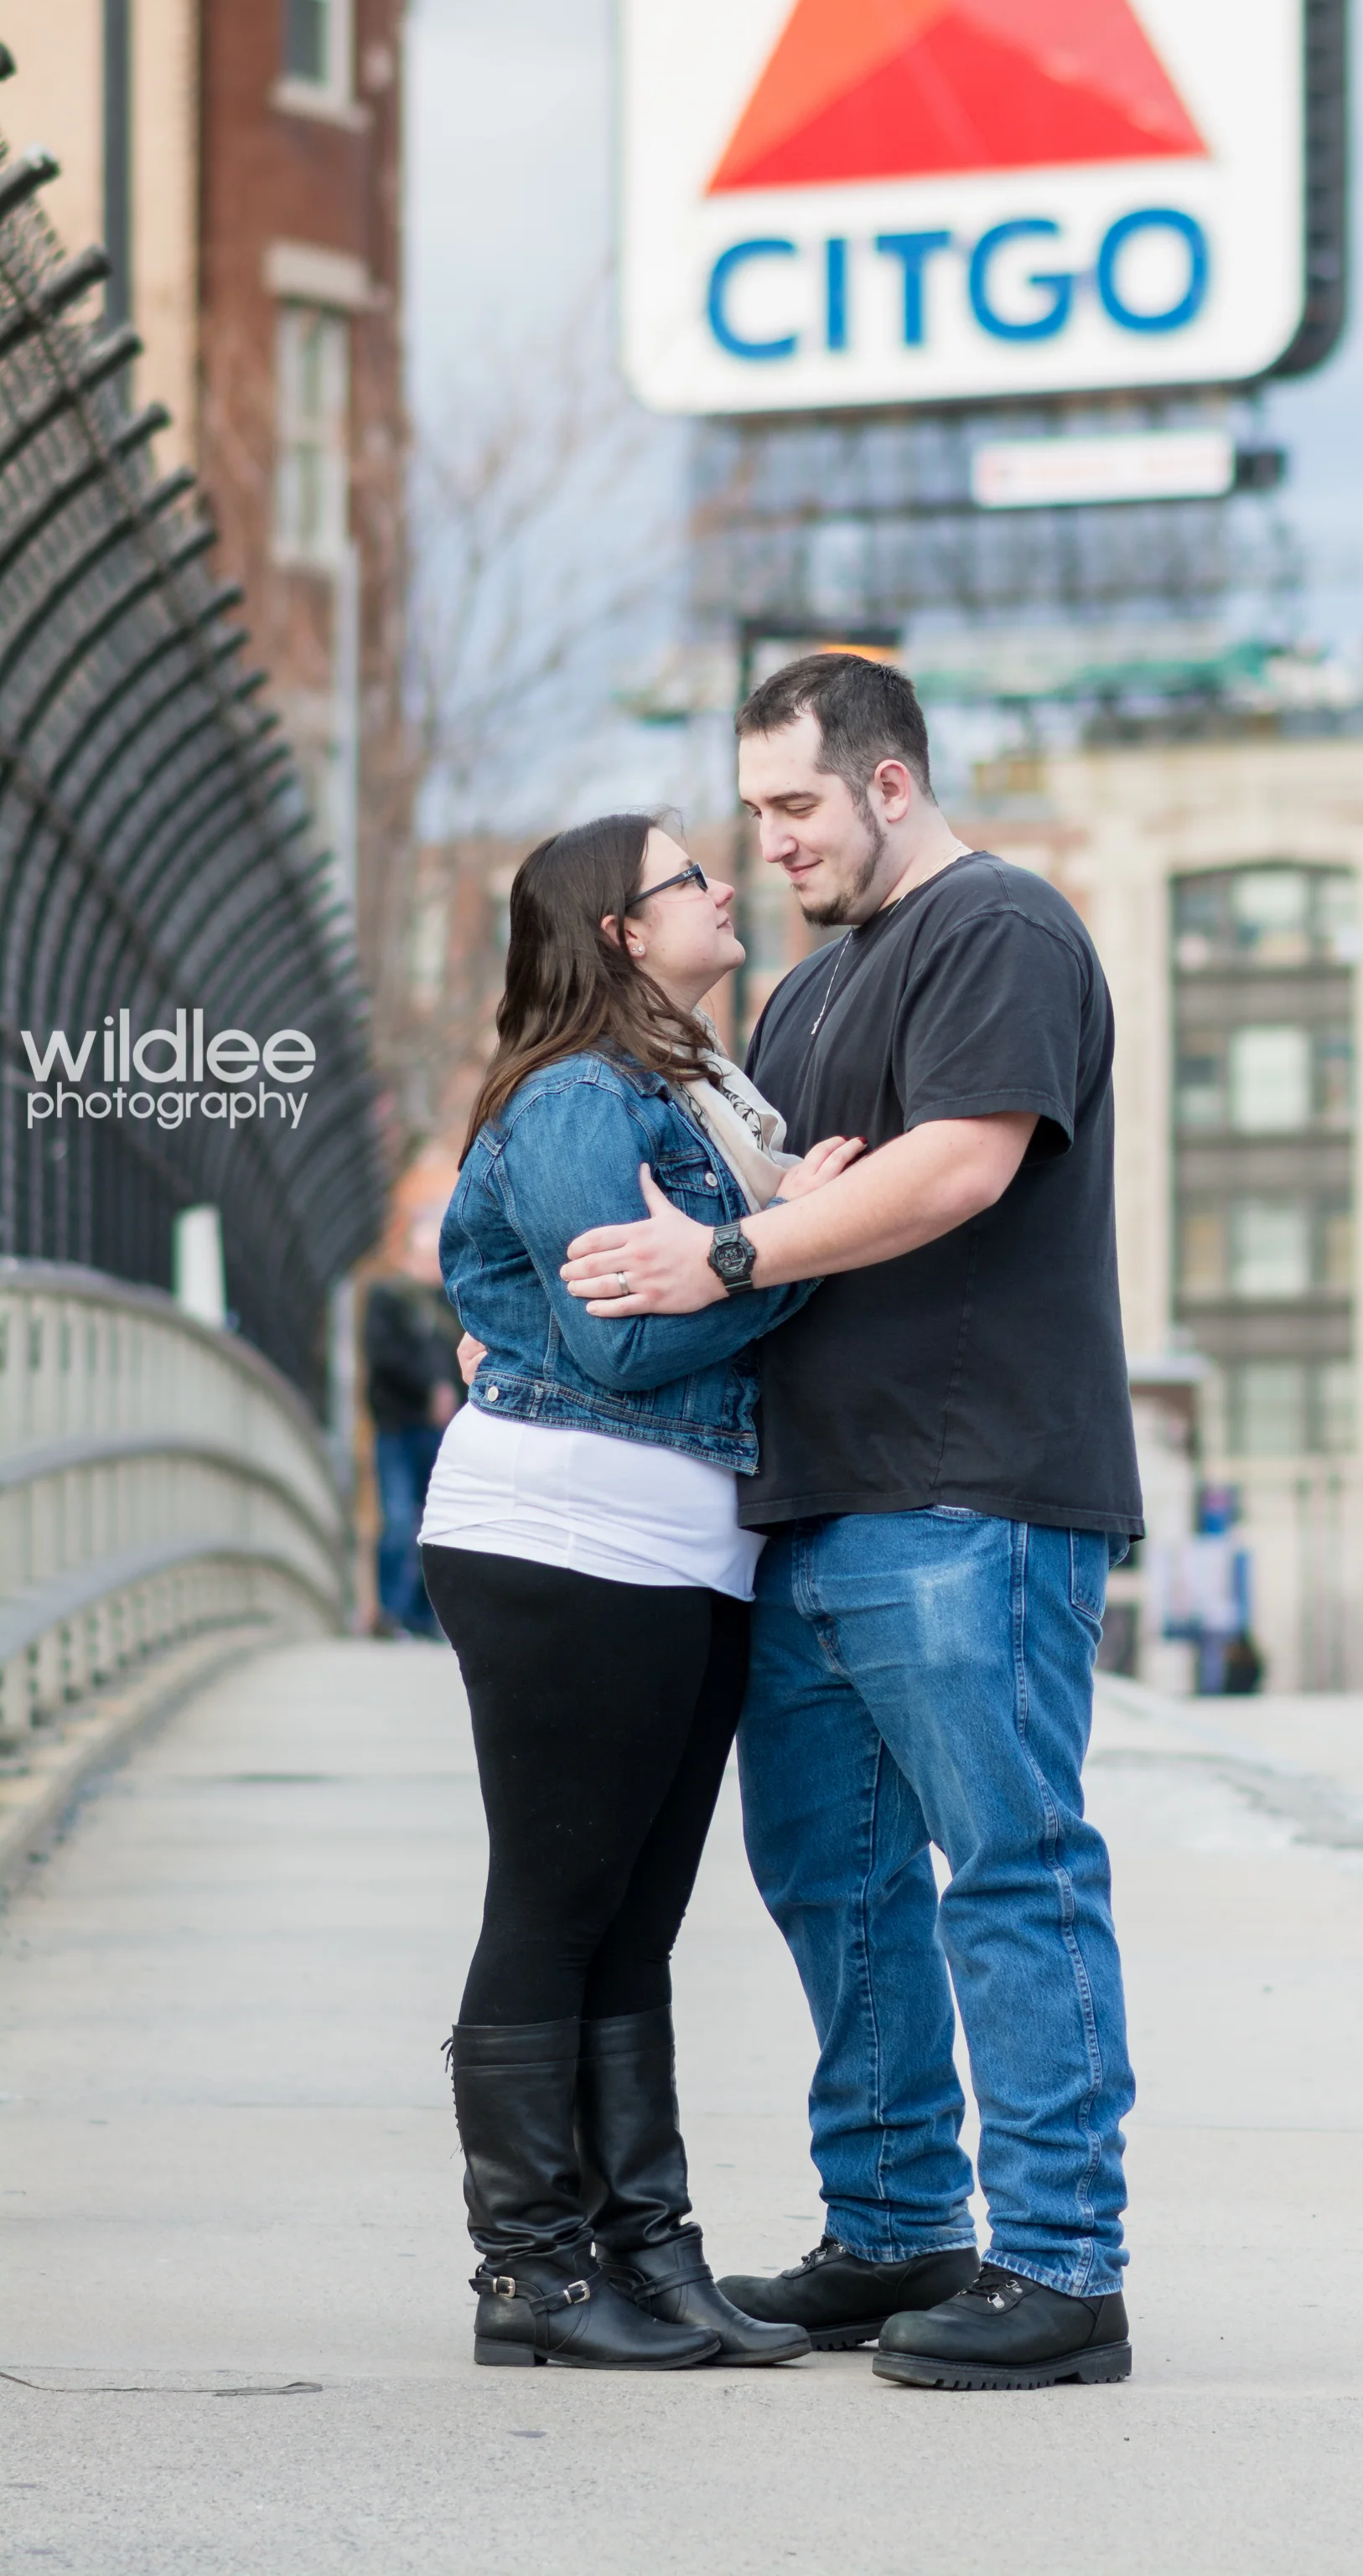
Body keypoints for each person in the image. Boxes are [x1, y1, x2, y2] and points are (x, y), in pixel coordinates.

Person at [562, 654, 1143, 2392]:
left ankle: (1065, 2270)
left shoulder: (1003, 932)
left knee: (1013, 1866)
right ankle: (896, 2225)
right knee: (834, 1876)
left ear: (890, 784)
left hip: (973, 1489)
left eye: (797, 806)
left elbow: (961, 1166)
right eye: (752, 812)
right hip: (814, 1504)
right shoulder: (813, 994)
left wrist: (730, 1254)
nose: (773, 843)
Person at [419, 812, 863, 2371]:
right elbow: (617, 1338)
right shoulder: (572, 1101)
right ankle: (528, 2274)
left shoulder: (689, 1093)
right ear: (619, 928)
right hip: (565, 1533)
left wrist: (768, 1223)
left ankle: (647, 2253)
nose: (724, 885)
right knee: (554, 1907)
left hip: (681, 1542)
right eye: (691, 875)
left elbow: (678, 1294)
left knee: (635, 1922)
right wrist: (805, 1246)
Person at [363, 1210, 460, 1637]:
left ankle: (423, 1615)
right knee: (399, 1519)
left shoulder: (450, 1302)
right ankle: (391, 1612)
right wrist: (430, 1390)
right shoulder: (387, 1298)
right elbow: (384, 1359)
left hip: (441, 1431)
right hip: (400, 1426)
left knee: (435, 1524)